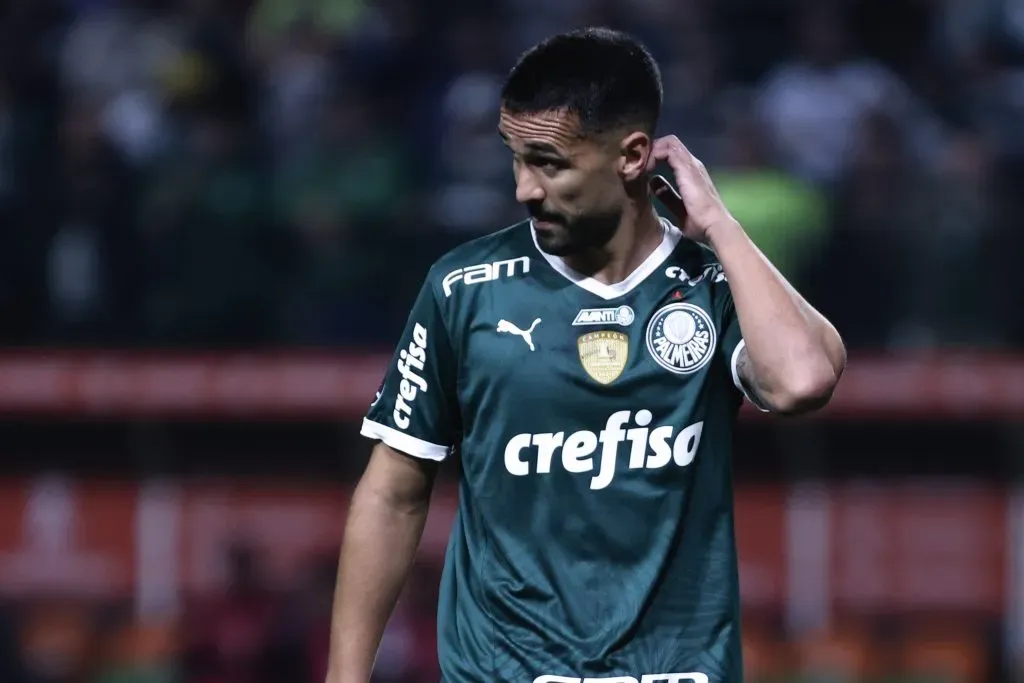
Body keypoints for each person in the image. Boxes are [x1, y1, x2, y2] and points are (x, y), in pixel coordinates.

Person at [327, 27, 845, 683]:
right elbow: (392, 493)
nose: (525, 188)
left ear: (631, 156)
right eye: (516, 158)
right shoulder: (465, 289)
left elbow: (803, 379)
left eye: (549, 163)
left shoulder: (707, 287)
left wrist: (720, 226)